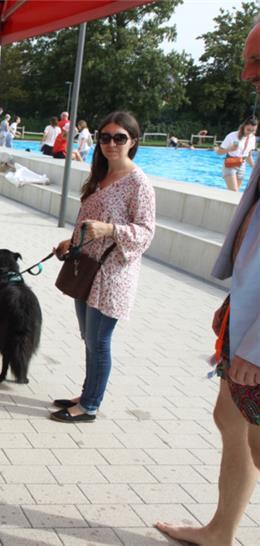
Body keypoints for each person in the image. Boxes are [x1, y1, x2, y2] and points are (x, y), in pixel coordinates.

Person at [155, 20, 260, 545]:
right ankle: (221, 530)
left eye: (257, 61)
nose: (245, 74)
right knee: (231, 418)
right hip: (246, 310)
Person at [50, 111, 156, 423]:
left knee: (99, 341)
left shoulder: (139, 184)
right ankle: (87, 393)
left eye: (119, 137)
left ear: (133, 141)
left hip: (112, 275)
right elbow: (87, 221)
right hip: (86, 267)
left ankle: (90, 405)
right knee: (88, 337)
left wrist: (111, 230)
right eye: (105, 137)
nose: (111, 143)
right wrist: (70, 243)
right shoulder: (100, 175)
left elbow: (146, 233)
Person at [216, 116, 257, 192]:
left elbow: (248, 155)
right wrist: (230, 149)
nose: (250, 132)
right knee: (233, 191)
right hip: (230, 163)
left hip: (242, 165)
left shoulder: (252, 138)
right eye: (248, 130)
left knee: (236, 191)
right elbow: (218, 152)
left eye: (253, 131)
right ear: (243, 126)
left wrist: (255, 168)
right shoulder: (232, 136)